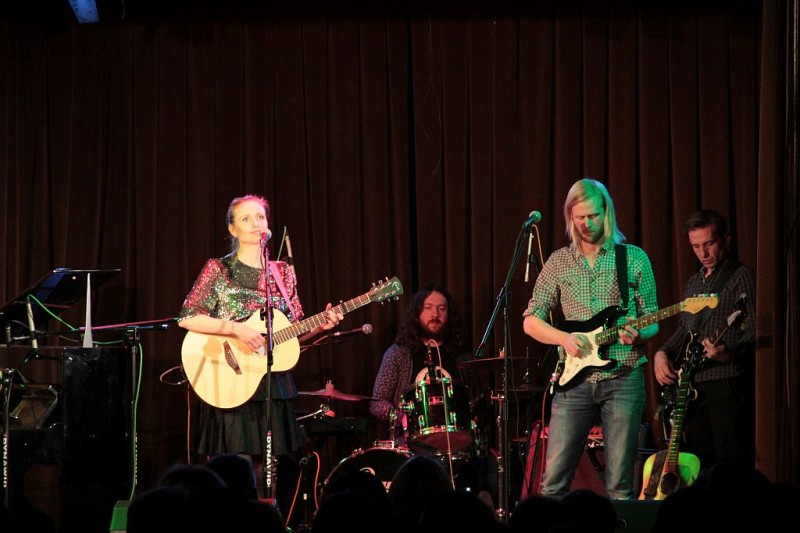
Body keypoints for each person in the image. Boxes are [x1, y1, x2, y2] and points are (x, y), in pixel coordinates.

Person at [178, 194, 342, 514]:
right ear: (232, 229)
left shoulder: (283, 273)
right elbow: (187, 317)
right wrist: (236, 329)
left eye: (260, 218)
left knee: (272, 470)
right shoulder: (219, 269)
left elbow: (292, 335)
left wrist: (321, 326)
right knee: (234, 472)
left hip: (270, 381)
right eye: (246, 219)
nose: (256, 224)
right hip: (230, 377)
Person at [522, 178, 660, 499]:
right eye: (579, 217)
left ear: (606, 212)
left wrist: (638, 332)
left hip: (623, 375)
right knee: (553, 483)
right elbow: (530, 321)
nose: (586, 223)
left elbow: (652, 319)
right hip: (574, 382)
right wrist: (564, 338)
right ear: (570, 216)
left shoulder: (633, 257)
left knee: (620, 485)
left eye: (593, 216)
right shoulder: (559, 261)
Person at [653, 209, 756, 469]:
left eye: (709, 243)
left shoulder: (741, 276)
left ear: (725, 240)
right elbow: (683, 331)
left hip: (725, 382)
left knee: (729, 463)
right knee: (700, 463)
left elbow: (755, 330)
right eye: (696, 246)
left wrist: (728, 352)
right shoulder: (693, 283)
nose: (703, 253)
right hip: (692, 387)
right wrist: (662, 353)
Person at [370, 284, 484, 452]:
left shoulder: (461, 355)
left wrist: (474, 417)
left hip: (455, 446)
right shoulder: (398, 353)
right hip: (408, 446)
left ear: (449, 315)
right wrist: (401, 417)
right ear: (417, 313)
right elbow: (377, 402)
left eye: (441, 309)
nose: (435, 314)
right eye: (428, 308)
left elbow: (475, 400)